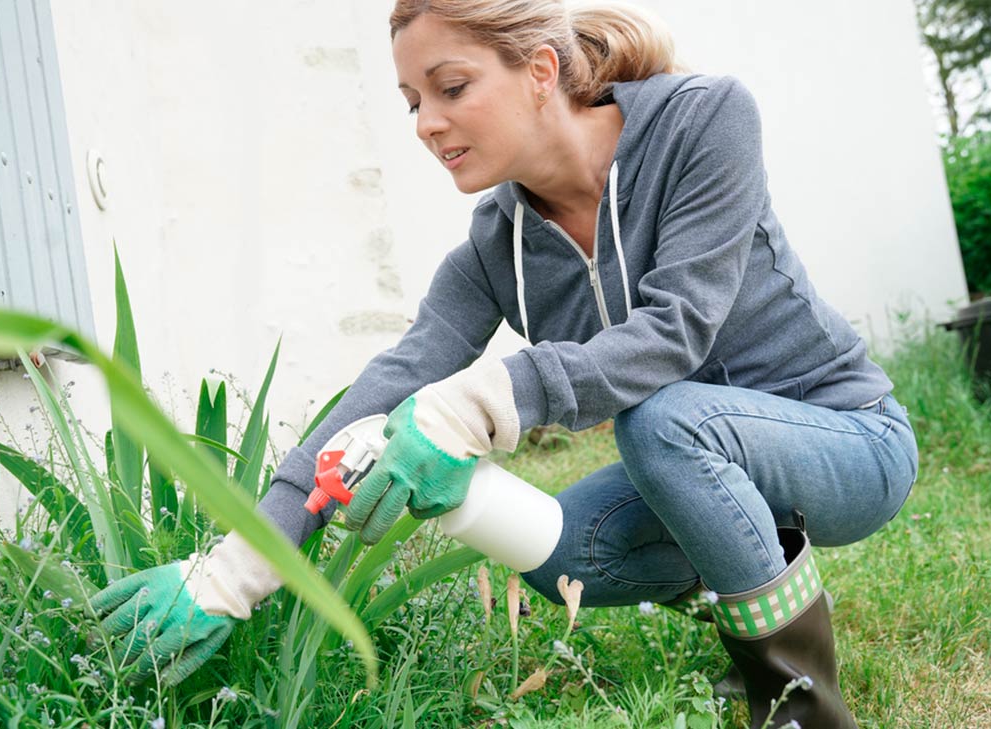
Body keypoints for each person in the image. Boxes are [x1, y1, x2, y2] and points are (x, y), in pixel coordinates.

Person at [91, 1, 919, 726]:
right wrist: (235, 568)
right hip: (702, 459)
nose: (425, 123)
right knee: (563, 551)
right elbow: (388, 381)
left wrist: (476, 404)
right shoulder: (496, 248)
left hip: (848, 440)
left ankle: (801, 709)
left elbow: (677, 332)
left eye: (451, 89)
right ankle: (749, 588)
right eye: (413, 101)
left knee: (661, 419)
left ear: (540, 69)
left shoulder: (703, 122)